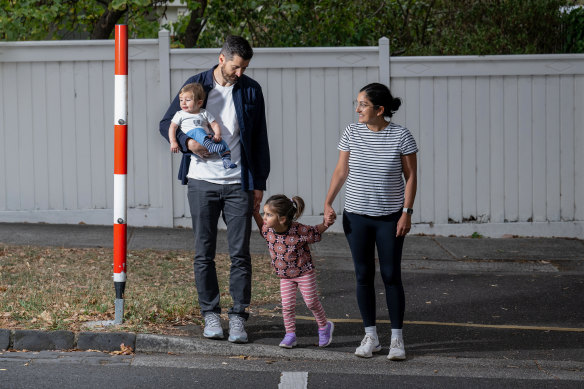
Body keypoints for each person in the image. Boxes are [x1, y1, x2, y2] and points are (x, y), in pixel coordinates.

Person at [159, 35, 270, 344]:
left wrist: (258, 183)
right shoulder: (195, 85)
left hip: (239, 184)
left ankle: (237, 318)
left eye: (244, 67)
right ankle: (210, 314)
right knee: (203, 252)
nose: (239, 73)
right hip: (201, 182)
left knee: (240, 254)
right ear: (222, 59)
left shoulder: (251, 90)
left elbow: (260, 138)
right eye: (236, 67)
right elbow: (167, 122)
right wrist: (187, 143)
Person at [323, 83, 418, 361]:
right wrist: (328, 201)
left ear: (379, 109)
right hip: (356, 216)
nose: (357, 109)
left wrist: (406, 213)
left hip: (390, 219)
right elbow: (342, 170)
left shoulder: (402, 135)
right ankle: (371, 336)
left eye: (362, 105)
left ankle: (397, 339)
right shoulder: (352, 132)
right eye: (357, 103)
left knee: (390, 276)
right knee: (363, 275)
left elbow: (411, 177)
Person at [253, 194, 334, 349]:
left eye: (268, 215)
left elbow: (315, 232)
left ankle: (324, 327)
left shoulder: (299, 230)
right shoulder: (268, 229)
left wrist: (327, 223)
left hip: (304, 273)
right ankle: (290, 335)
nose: (264, 218)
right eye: (264, 214)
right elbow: (261, 228)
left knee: (311, 302)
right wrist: (255, 212)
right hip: (285, 276)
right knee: (287, 306)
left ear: (282, 219)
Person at [168, 82, 236, 169]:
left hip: (206, 137)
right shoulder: (180, 114)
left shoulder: (204, 113)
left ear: (199, 103)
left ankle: (226, 160)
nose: (183, 103)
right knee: (197, 130)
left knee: (221, 142)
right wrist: (173, 142)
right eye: (181, 100)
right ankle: (211, 146)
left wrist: (217, 135)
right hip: (192, 136)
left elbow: (214, 124)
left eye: (188, 100)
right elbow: (172, 127)